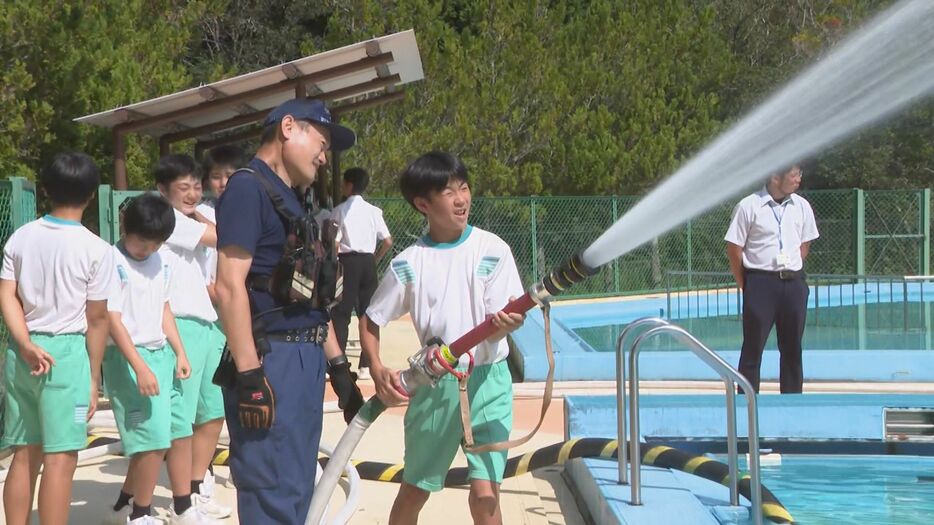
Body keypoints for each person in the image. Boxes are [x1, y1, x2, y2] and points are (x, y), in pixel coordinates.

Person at [214, 98, 363, 524]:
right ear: (288, 128)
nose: (324, 155)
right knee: (271, 489)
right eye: (321, 141)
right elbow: (229, 286)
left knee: (298, 485)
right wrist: (249, 376)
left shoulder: (296, 201)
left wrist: (339, 368)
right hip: (271, 360)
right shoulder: (248, 187)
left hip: (305, 358)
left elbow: (313, 298)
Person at [360, 151, 526, 525]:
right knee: (416, 487)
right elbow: (371, 321)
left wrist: (511, 322)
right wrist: (376, 367)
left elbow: (509, 314)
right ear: (423, 203)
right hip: (435, 385)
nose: (461, 198)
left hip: (489, 381)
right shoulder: (409, 264)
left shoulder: (493, 249)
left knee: (485, 496)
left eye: (464, 187)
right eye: (448, 191)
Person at [1, 152, 115, 525]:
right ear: (92, 195)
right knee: (62, 457)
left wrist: (25, 342)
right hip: (67, 356)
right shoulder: (96, 249)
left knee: (24, 453)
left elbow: (7, 295)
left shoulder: (20, 237)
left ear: (46, 189)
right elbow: (96, 318)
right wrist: (94, 376)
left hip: (23, 352)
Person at [103, 194, 201, 525]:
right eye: (142, 243)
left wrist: (179, 350)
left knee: (179, 431)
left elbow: (164, 309)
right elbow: (113, 320)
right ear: (125, 228)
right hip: (129, 359)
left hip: (161, 354)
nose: (148, 250)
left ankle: (182, 505)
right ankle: (139, 514)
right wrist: (140, 367)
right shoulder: (111, 261)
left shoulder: (162, 263)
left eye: (155, 244)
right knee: (152, 440)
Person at [154, 154, 229, 520]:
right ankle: (180, 500)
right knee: (181, 417)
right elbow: (221, 237)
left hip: (207, 323)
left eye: (197, 186)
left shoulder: (194, 218)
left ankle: (197, 488)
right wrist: (202, 216)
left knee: (213, 411)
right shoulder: (168, 220)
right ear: (162, 190)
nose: (193, 193)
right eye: (183, 188)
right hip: (180, 323)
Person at [725, 165, 819, 394]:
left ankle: (792, 403)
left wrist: (791, 266)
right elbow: (734, 249)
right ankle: (746, 404)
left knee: (792, 348)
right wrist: (746, 284)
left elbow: (804, 244)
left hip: (793, 283)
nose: (799, 179)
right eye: (794, 175)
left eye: (800, 174)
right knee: (752, 349)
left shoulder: (801, 206)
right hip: (760, 282)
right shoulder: (749, 206)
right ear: (776, 177)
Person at [330, 167, 393, 379]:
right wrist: (375, 258)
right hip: (368, 262)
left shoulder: (339, 210)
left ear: (348, 185)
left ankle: (339, 363)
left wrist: (333, 263)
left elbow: (335, 243)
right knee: (368, 312)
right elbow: (388, 241)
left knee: (341, 313)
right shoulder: (374, 211)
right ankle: (366, 365)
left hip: (347, 262)